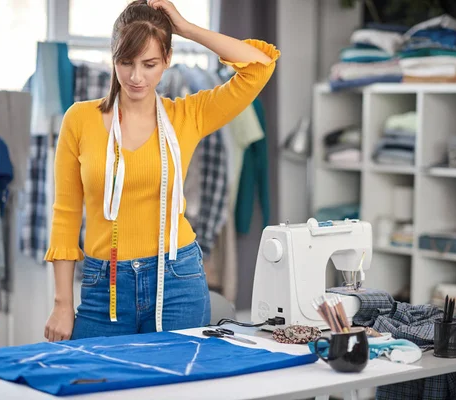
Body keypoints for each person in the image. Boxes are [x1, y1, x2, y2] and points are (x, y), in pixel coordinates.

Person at [43, 0, 280, 341]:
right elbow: (65, 217)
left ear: (167, 59)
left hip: (177, 282)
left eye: (149, 63)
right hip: (103, 284)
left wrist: (186, 29)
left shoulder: (188, 115)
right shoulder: (79, 120)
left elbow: (260, 66)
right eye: (125, 62)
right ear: (113, 57)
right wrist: (62, 303)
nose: (136, 76)